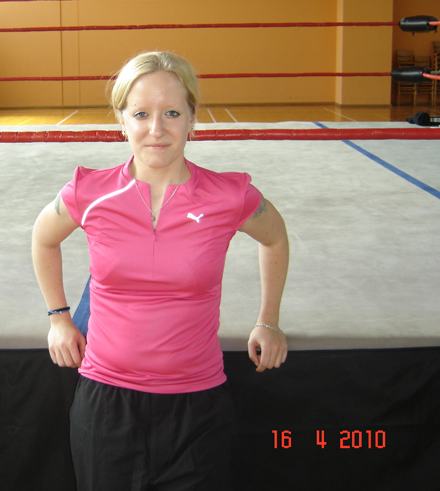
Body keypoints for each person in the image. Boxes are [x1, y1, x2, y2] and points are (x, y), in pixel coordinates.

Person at [32, 51, 288, 491]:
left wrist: (269, 321)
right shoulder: (88, 192)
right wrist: (58, 317)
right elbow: (43, 238)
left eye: (172, 112)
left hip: (196, 407)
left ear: (192, 118)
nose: (157, 129)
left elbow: (276, 238)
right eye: (141, 114)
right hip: (106, 404)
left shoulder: (229, 195)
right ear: (122, 120)